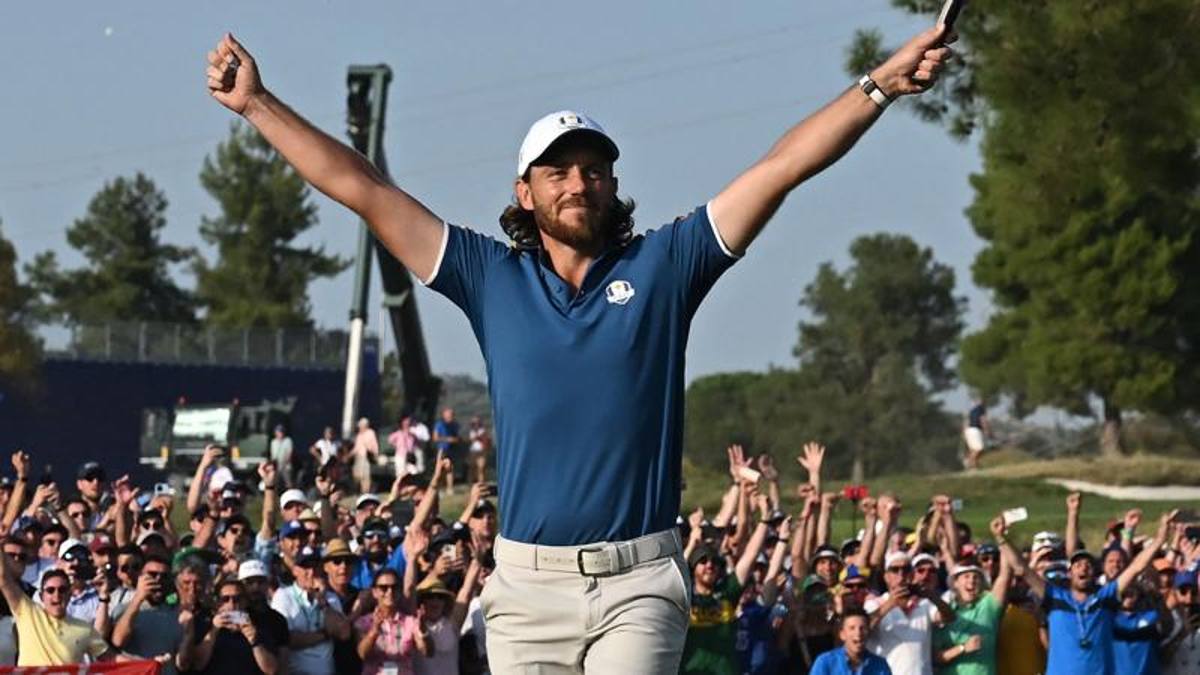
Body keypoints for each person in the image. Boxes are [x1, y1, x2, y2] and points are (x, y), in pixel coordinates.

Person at [204, 25, 952, 669]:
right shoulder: (487, 274)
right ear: (524, 192)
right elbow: (362, 187)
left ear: (612, 185)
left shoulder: (665, 266)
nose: (578, 182)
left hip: (640, 581)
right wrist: (257, 105)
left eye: (594, 169)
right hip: (526, 587)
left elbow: (781, 166)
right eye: (557, 170)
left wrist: (879, 85)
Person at [1018, 504, 1176, 675]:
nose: (1083, 568)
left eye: (1088, 565)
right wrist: (1072, 513)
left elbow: (1134, 567)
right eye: (1078, 565)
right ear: (1069, 572)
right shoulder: (1057, 596)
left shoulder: (1105, 597)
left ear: (1095, 572)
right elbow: (1025, 569)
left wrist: (1159, 539)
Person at [0, 536, 137, 665]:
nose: (56, 595)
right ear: (41, 596)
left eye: (62, 590)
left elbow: (112, 658)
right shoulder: (27, 612)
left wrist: (149, 664)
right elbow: (3, 578)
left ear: (70, 594)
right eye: (50, 590)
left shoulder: (84, 628)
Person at [864, 551, 956, 675]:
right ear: (886, 576)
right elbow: (863, 630)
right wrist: (890, 603)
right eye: (895, 570)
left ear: (912, 574)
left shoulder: (924, 603)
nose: (901, 574)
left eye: (906, 569)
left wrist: (932, 596)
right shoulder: (875, 603)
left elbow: (949, 617)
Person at [270, 545, 351, 675]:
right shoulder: (283, 595)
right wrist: (325, 635)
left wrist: (323, 602)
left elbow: (344, 633)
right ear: (295, 570)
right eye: (306, 567)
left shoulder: (330, 598)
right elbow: (286, 639)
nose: (312, 572)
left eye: (315, 566)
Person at [355, 568, 429, 674]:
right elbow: (362, 653)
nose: (390, 592)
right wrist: (374, 631)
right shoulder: (363, 622)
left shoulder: (410, 622)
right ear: (375, 592)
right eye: (383, 588)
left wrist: (424, 631)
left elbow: (427, 651)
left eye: (394, 587)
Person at [809, 609, 892, 675]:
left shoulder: (880, 665)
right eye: (852, 628)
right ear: (842, 634)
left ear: (869, 632)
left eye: (862, 628)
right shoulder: (825, 662)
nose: (858, 633)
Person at [352, 417, 381, 494]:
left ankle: (366, 492)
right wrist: (349, 455)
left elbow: (375, 445)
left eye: (361, 426)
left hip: (366, 457)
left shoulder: (370, 433)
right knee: (359, 476)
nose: (360, 427)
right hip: (358, 457)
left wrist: (375, 454)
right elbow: (356, 448)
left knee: (366, 476)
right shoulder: (359, 435)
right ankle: (362, 492)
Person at [963, 397, 990, 470]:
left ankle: (974, 466)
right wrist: (986, 430)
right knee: (979, 448)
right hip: (975, 430)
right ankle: (969, 461)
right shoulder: (981, 409)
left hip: (968, 430)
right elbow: (983, 420)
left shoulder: (971, 410)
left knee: (973, 449)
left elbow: (966, 421)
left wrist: (964, 432)